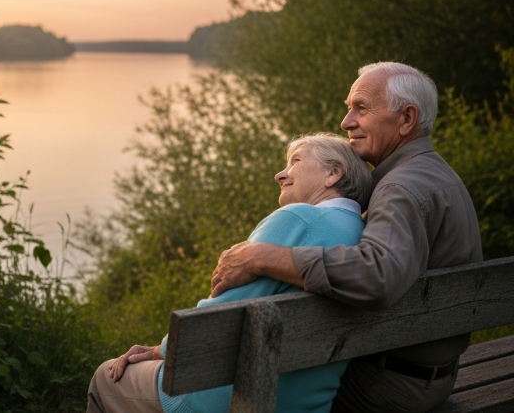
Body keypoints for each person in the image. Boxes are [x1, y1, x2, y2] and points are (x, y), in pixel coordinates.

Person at [210, 62, 483, 413]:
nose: (346, 122)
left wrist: (261, 257)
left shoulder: (400, 188)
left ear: (406, 119)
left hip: (389, 387)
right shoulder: (437, 173)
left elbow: (376, 276)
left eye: (362, 108)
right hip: (433, 375)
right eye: (348, 108)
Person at [87, 133, 373, 413]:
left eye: (295, 161)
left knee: (105, 378)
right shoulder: (364, 237)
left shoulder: (297, 218)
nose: (280, 174)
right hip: (304, 404)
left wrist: (157, 351)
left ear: (333, 173)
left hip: (228, 398)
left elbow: (214, 321)